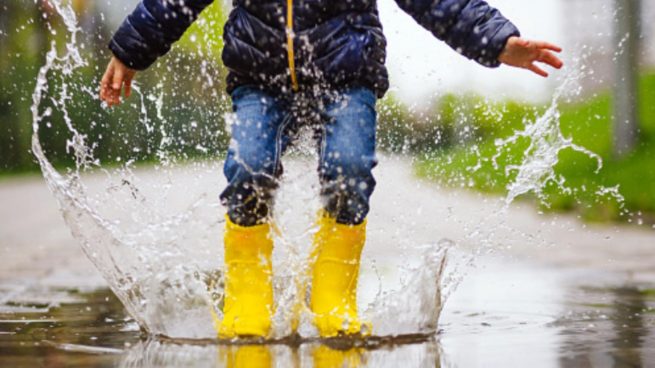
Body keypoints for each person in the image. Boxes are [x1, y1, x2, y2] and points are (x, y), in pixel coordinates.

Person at [99, 0, 563, 339]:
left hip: (346, 77)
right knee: (249, 171)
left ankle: (333, 293)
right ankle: (247, 294)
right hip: (260, 78)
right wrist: (130, 50)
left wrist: (496, 39)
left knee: (350, 171)